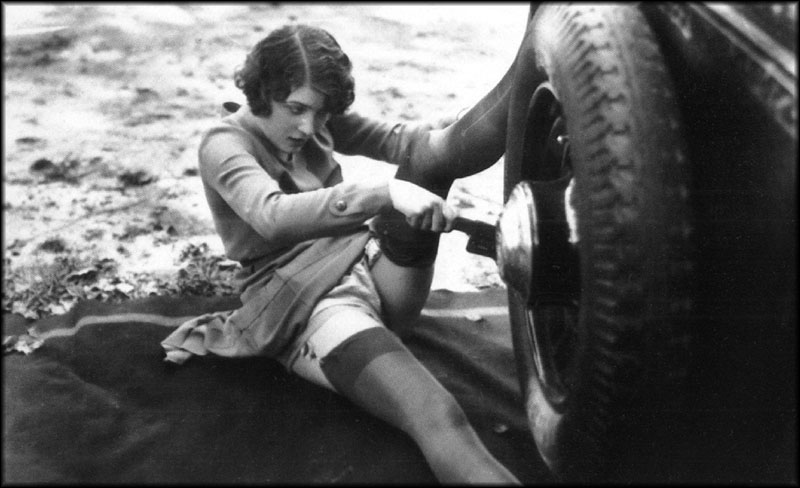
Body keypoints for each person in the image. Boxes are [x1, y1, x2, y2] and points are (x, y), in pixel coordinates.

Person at [160, 23, 522, 484]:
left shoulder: (314, 119)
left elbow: (399, 140)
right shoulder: (224, 144)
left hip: (360, 264)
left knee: (435, 157)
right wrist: (387, 193)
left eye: (321, 113)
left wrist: (452, 129)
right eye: (295, 109)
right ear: (261, 91)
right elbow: (272, 216)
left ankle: (537, 56)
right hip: (306, 303)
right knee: (436, 413)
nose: (308, 127)